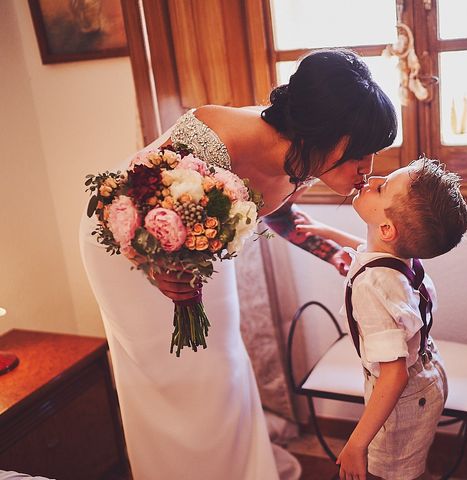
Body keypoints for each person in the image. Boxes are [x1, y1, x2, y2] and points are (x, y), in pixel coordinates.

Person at [79, 48, 397, 480]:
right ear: (323, 134)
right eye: (360, 152)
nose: (368, 167)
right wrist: (159, 269)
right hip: (127, 241)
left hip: (200, 248)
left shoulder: (303, 159)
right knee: (166, 376)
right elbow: (135, 201)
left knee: (220, 360)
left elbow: (281, 215)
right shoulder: (215, 137)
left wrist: (337, 256)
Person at [298, 158, 467, 479]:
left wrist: (356, 444)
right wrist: (326, 232)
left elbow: (393, 376)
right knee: (411, 458)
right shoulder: (401, 256)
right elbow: (368, 249)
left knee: (393, 471)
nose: (372, 179)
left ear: (388, 229)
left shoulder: (372, 287)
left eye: (383, 186)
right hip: (430, 373)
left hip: (405, 398)